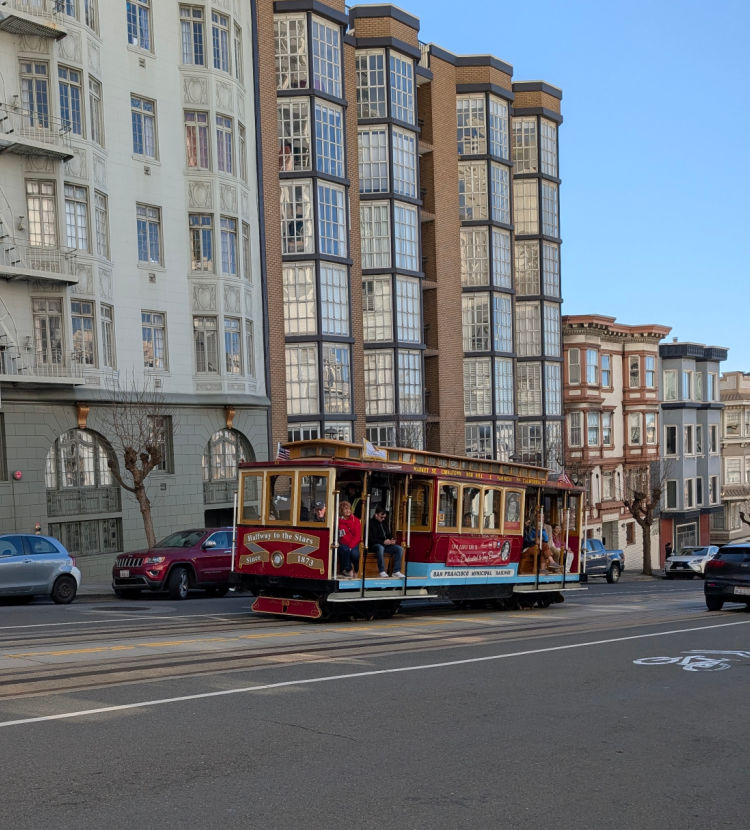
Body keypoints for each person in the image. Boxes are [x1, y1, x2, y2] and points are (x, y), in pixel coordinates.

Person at [367, 505, 404, 578]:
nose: (383, 519)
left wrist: (392, 539)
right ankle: (382, 571)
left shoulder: (384, 523)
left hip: (385, 545)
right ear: (376, 515)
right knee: (380, 547)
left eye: (384, 517)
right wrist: (383, 542)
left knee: (399, 549)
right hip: (374, 546)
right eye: (381, 517)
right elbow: (370, 539)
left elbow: (388, 534)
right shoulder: (370, 523)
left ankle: (396, 571)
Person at [337, 500, 361, 578]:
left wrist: (350, 546)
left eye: (349, 509)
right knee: (344, 550)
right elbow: (339, 535)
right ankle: (348, 570)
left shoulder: (356, 520)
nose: (348, 511)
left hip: (353, 543)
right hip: (343, 544)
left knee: (355, 555)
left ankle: (356, 570)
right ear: (341, 511)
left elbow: (357, 536)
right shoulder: (338, 521)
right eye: (345, 509)